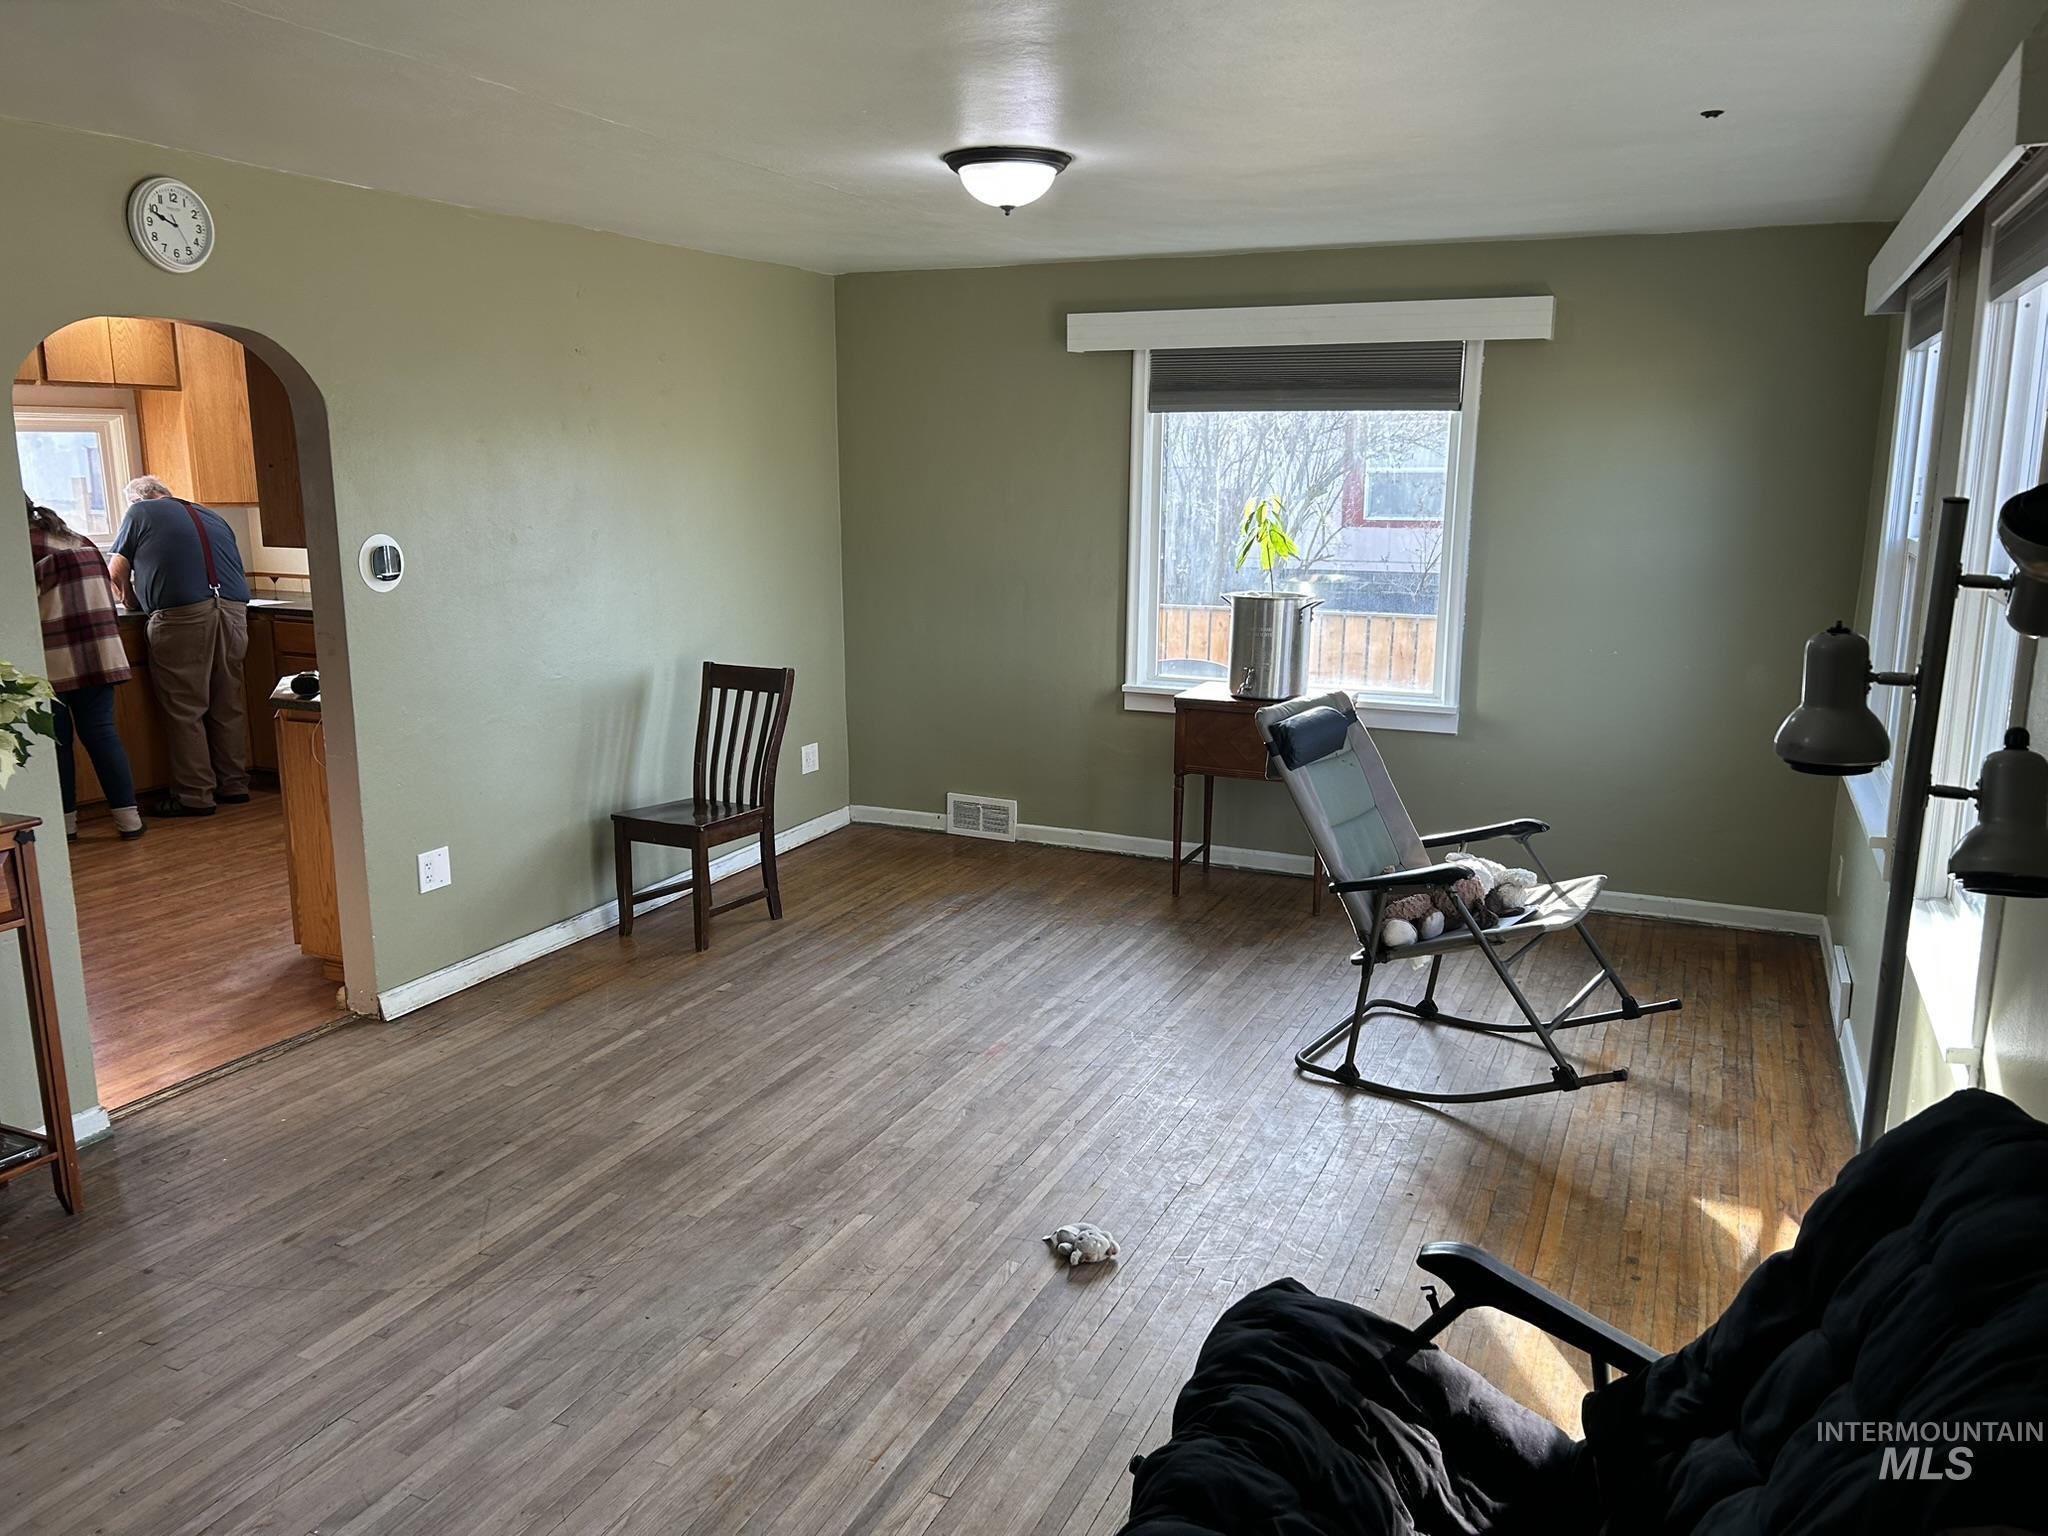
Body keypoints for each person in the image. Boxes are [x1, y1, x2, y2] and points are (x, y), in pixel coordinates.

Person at [108, 474, 253, 817]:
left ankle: (195, 796)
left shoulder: (140, 513)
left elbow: (115, 572)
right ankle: (234, 785)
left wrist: (130, 601)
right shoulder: (210, 515)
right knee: (227, 703)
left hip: (181, 617)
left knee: (186, 710)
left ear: (137, 500)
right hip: (234, 613)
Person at [26, 495, 144, 841]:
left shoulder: (25, 548)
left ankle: (65, 826)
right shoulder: (78, 539)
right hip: (99, 653)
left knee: (56, 743)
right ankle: (129, 821)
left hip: (54, 659)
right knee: (102, 735)